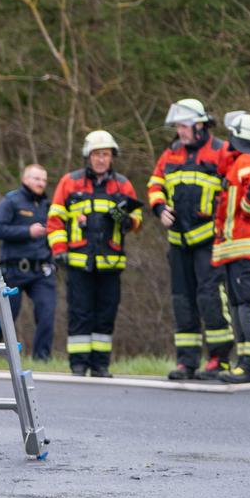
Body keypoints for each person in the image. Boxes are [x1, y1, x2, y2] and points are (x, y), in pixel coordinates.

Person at [148, 99, 236, 380]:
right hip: (178, 243)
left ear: (200, 125)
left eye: (184, 126)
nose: (180, 132)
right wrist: (160, 208)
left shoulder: (222, 151)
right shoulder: (171, 153)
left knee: (210, 298)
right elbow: (155, 184)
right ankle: (187, 361)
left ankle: (219, 359)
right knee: (182, 301)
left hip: (210, 241)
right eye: (178, 127)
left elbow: (235, 188)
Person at [48, 130, 143, 377]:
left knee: (106, 314)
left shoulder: (123, 184)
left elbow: (137, 221)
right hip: (79, 262)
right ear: (88, 156)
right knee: (79, 313)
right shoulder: (70, 182)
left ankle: (100, 364)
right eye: (97, 154)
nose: (101, 159)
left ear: (112, 157)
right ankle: (78, 364)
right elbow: (55, 219)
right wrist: (59, 250)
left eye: (106, 154)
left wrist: (127, 221)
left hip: (111, 262)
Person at [213, 112, 250, 383]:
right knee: (239, 304)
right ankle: (245, 361)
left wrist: (246, 211)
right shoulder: (245, 161)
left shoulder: (247, 161)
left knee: (249, 303)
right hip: (236, 247)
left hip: (247, 245)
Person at [0, 165, 56, 360]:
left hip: (41, 270)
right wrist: (27, 231)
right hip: (14, 269)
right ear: (25, 179)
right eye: (37, 179)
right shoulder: (11, 201)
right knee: (8, 315)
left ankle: (42, 359)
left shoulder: (48, 205)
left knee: (47, 313)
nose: (41, 183)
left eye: (44, 180)